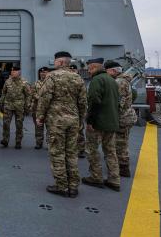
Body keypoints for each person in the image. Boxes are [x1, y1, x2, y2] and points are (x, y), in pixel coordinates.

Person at [36, 52, 87, 198]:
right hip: (73, 121)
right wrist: (81, 119)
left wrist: (40, 116)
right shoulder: (77, 78)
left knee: (57, 152)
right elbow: (83, 102)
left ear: (59, 62)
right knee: (71, 152)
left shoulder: (51, 76)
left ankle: (61, 186)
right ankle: (73, 186)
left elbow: (45, 98)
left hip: (56, 121)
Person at [82, 58, 121, 191]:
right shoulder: (113, 81)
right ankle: (114, 179)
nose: (88, 71)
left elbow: (94, 100)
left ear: (94, 67)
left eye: (89, 68)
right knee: (110, 151)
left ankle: (96, 177)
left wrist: (91, 121)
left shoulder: (97, 80)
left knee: (92, 150)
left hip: (98, 122)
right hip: (112, 122)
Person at [105, 60, 137, 177]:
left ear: (113, 70)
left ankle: (123, 168)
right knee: (121, 143)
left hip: (122, 118)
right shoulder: (123, 80)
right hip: (126, 117)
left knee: (120, 144)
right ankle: (121, 165)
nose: (106, 74)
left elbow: (119, 103)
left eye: (107, 71)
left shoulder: (119, 82)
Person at [0, 64, 31, 149]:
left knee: (19, 124)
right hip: (8, 105)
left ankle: (18, 142)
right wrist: (1, 104)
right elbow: (3, 93)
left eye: (14, 71)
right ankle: (5, 140)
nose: (12, 72)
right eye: (12, 71)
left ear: (19, 72)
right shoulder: (7, 82)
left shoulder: (24, 82)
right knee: (6, 123)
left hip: (19, 106)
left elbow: (28, 95)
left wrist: (27, 106)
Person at [31, 67, 50, 149]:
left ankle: (49, 143)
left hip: (49, 108)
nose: (43, 74)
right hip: (37, 108)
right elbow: (33, 93)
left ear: (48, 73)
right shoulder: (36, 83)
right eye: (41, 72)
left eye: (45, 72)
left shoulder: (51, 83)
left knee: (49, 127)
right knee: (38, 126)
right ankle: (39, 143)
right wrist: (40, 98)